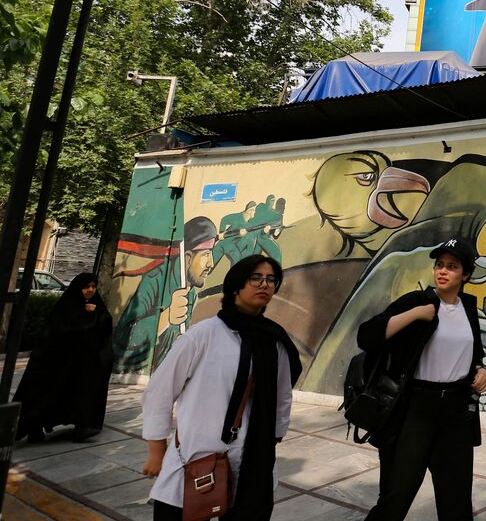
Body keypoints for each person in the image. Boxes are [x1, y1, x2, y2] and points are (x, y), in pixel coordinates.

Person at [141, 255, 301, 521]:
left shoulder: (275, 341)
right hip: (196, 457)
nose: (265, 285)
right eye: (256, 278)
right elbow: (160, 391)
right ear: (236, 285)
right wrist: (156, 451)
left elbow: (282, 394)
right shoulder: (203, 335)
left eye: (271, 280)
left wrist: (272, 437)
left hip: (251, 460)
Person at [358, 237, 486, 521]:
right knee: (396, 497)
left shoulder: (468, 307)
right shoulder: (418, 302)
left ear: (465, 275)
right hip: (415, 410)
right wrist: (415, 315)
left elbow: (474, 353)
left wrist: (481, 371)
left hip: (456, 413)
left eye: (452, 267)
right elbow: (367, 336)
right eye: (439, 265)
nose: (442, 271)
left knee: (456, 502)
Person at [15, 272, 114, 443]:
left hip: (81, 365)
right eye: (86, 287)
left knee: (81, 393)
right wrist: (88, 316)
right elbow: (63, 332)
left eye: (93, 286)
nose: (90, 290)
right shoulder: (66, 307)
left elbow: (104, 328)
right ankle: (34, 429)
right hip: (58, 364)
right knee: (46, 394)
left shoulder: (97, 306)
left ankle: (82, 426)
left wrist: (94, 314)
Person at [115, 216, 218, 373]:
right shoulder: (155, 279)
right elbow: (123, 338)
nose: (211, 263)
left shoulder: (192, 294)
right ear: (188, 258)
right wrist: (166, 317)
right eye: (206, 254)